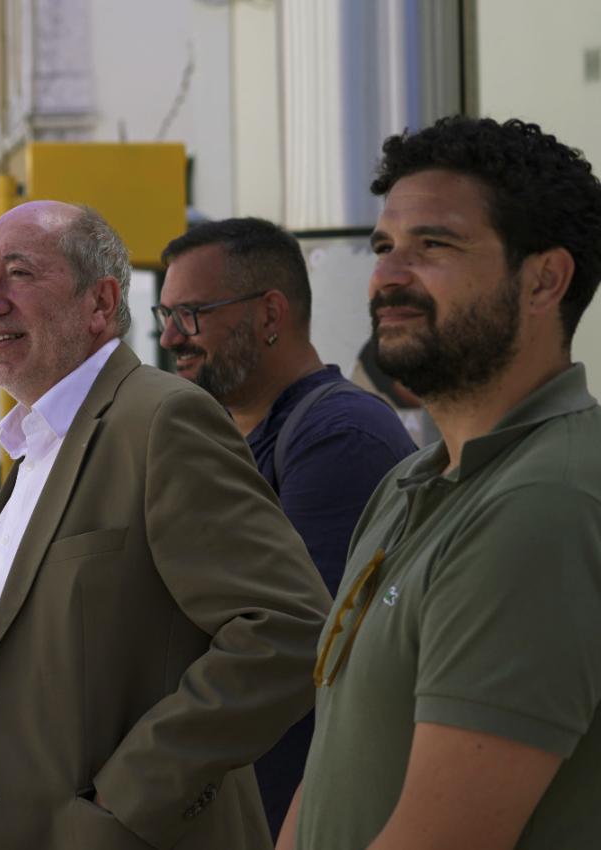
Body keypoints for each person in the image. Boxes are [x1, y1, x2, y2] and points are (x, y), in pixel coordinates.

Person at [0, 201, 330, 850]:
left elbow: (289, 629)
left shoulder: (161, 420)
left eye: (19, 274)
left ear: (101, 303)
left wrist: (124, 802)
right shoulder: (37, 443)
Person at [279, 117, 601, 850]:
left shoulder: (544, 503)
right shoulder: (407, 484)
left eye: (434, 245)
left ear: (544, 280)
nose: (388, 277)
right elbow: (334, 764)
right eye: (384, 247)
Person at [158, 217, 418, 835]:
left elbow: (298, 653)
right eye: (164, 314)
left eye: (191, 314)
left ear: (270, 313)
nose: (170, 337)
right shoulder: (231, 439)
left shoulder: (339, 439)